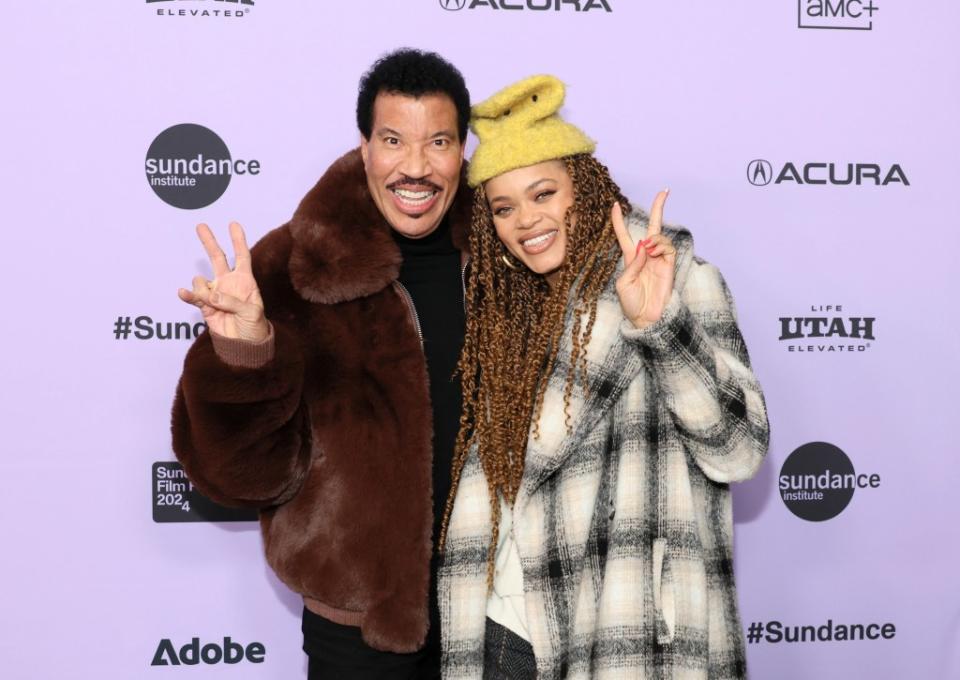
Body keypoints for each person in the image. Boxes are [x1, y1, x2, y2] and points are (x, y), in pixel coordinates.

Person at [437, 75, 770, 679]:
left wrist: (660, 328)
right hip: (504, 632)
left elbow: (739, 453)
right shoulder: (503, 312)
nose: (526, 220)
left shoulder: (677, 280)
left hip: (623, 631)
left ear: (583, 189)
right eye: (503, 207)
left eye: (544, 194)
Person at [171, 48, 472, 679]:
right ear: (365, 148)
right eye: (394, 140)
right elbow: (240, 478)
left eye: (437, 142)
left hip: (501, 620)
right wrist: (243, 354)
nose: (415, 167)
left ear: (461, 151)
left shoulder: (505, 257)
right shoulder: (289, 267)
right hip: (357, 628)